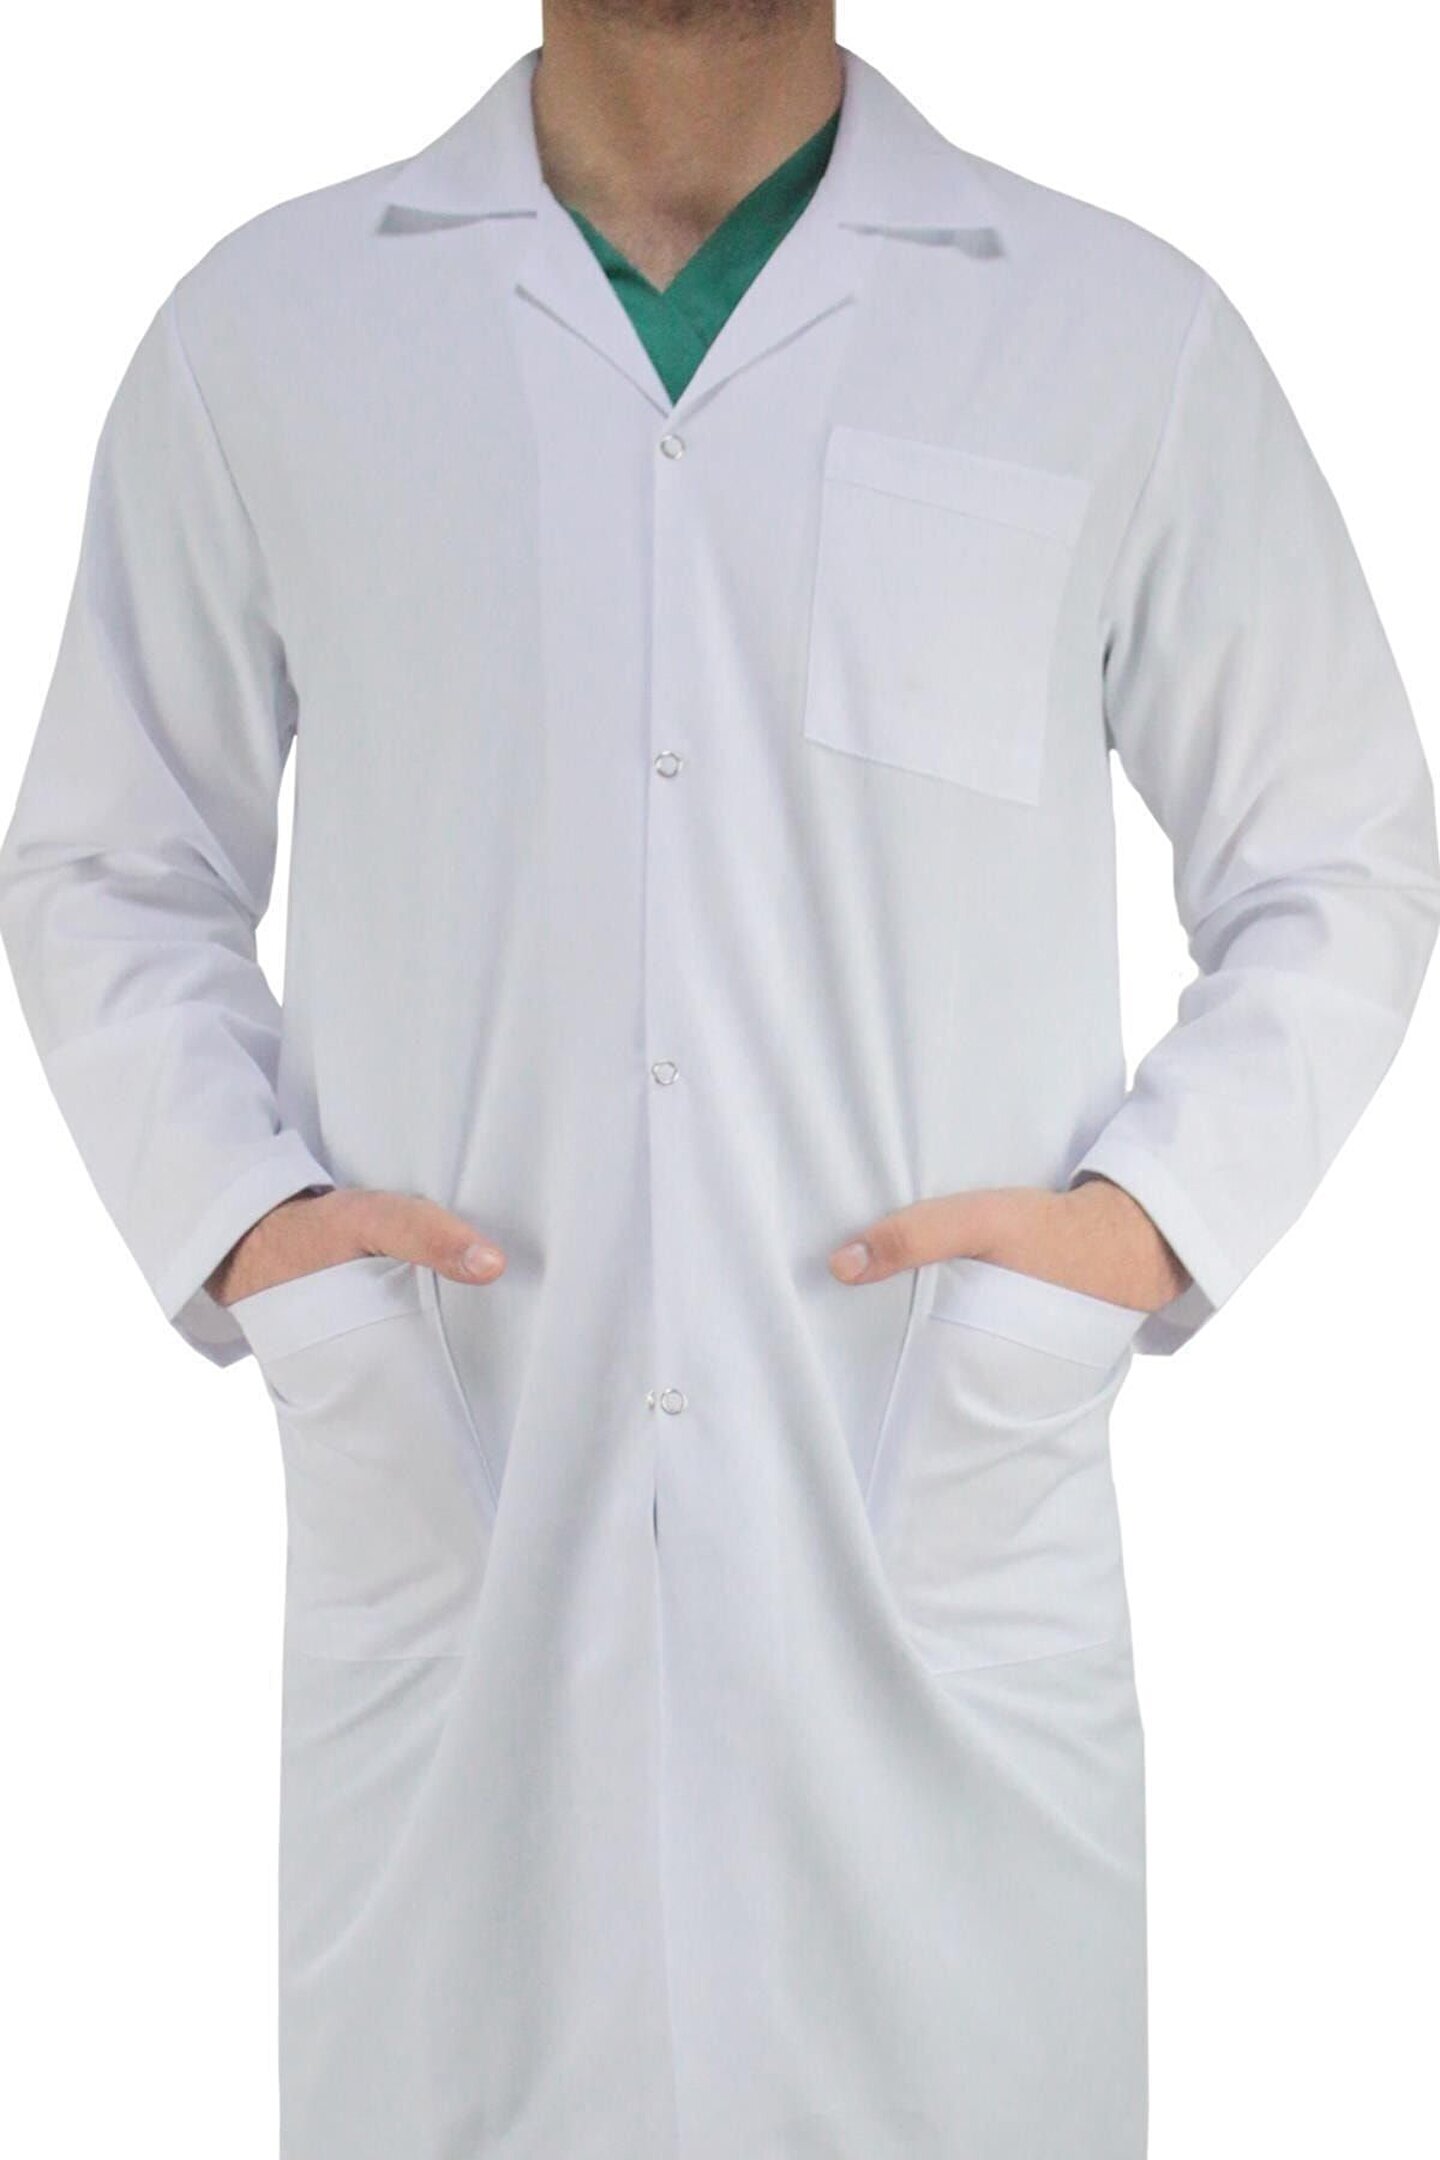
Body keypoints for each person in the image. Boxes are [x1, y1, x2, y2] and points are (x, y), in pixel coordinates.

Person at [2, 3, 1435, 2154]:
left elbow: (1342, 850)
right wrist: (259, 1237)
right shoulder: (267, 334)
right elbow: (112, 865)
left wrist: (1134, 1239)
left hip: (935, 1519)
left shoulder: (1116, 337)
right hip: (464, 1494)